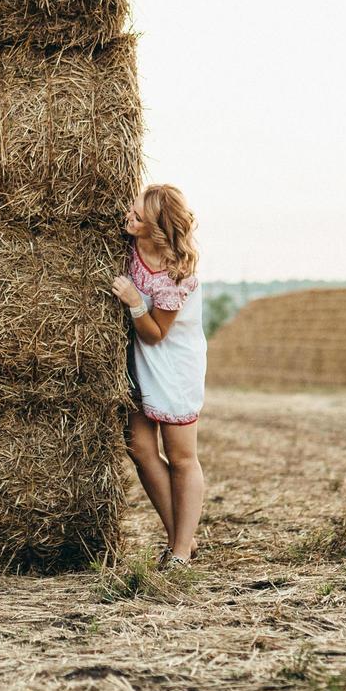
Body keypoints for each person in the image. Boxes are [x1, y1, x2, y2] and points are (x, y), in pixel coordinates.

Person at [110, 184, 206, 568]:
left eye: (138, 215)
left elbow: (155, 333)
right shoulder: (129, 247)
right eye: (131, 209)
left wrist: (134, 301)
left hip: (173, 363)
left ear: (157, 226)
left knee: (182, 457)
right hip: (138, 362)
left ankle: (180, 552)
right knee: (141, 450)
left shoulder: (175, 274)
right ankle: (181, 537)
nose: (128, 217)